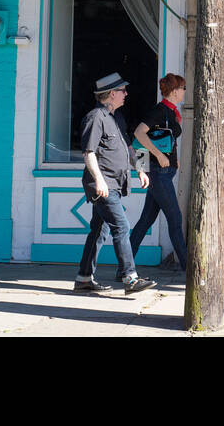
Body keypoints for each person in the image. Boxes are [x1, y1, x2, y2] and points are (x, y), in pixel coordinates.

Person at [74, 72, 156, 295]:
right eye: (122, 90)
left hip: (116, 184)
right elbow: (88, 153)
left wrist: (140, 169)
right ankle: (130, 278)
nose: (126, 94)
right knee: (122, 226)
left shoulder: (116, 117)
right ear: (111, 94)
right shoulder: (95, 118)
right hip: (104, 185)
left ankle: (83, 278)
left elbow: (129, 148)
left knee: (99, 231)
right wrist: (99, 180)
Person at [129, 73, 188, 272]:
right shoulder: (159, 110)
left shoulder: (171, 112)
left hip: (164, 172)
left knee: (146, 220)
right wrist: (159, 156)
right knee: (175, 218)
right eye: (182, 88)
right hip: (158, 173)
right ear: (174, 91)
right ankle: (188, 268)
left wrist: (173, 157)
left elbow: (167, 137)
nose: (184, 92)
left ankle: (124, 267)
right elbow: (138, 134)